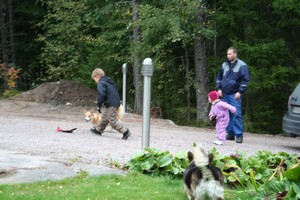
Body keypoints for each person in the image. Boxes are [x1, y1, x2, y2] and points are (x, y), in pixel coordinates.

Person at [216, 47, 250, 143]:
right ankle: (230, 134)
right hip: (225, 93)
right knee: (226, 114)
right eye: (227, 54)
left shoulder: (242, 65)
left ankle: (239, 135)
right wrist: (219, 89)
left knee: (236, 114)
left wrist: (240, 92)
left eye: (230, 54)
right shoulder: (224, 65)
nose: (228, 56)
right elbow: (219, 77)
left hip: (235, 94)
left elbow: (245, 80)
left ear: (235, 54)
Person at [90, 68, 131, 140]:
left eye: (94, 79)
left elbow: (101, 94)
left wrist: (99, 105)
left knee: (112, 120)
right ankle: (98, 130)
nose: (95, 82)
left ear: (97, 76)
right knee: (105, 117)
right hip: (115, 102)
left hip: (111, 103)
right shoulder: (108, 82)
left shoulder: (101, 83)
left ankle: (125, 131)